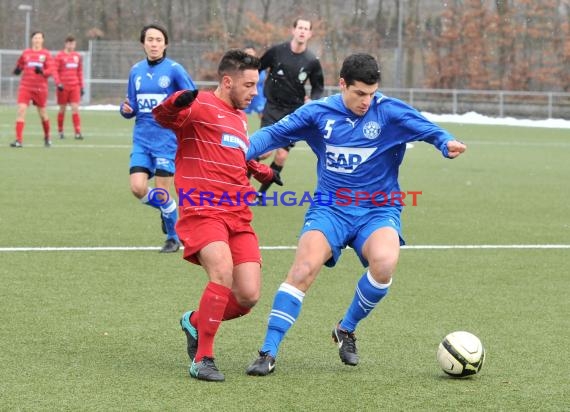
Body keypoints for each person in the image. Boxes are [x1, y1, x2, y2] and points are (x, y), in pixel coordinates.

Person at [244, 53, 467, 376]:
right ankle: (268, 351)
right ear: (343, 84)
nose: (367, 101)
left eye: (372, 93)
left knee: (385, 262)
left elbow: (428, 129)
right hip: (330, 207)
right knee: (304, 268)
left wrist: (445, 142)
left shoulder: (389, 112)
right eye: (359, 93)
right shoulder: (318, 113)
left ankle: (345, 328)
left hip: (378, 209)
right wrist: (240, 151)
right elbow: (273, 134)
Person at [152, 49, 283, 382]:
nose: (256, 92)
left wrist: (261, 171)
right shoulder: (198, 106)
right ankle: (203, 358)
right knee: (221, 273)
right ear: (228, 81)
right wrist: (178, 100)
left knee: (248, 295)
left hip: (238, 215)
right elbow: (163, 117)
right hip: (203, 209)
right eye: (250, 85)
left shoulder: (240, 118)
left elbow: (235, 155)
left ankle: (195, 322)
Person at [120, 24, 196, 253]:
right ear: (143, 43)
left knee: (162, 191)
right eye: (150, 40)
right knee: (137, 188)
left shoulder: (174, 69)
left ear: (165, 44)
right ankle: (168, 211)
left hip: (167, 139)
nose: (154, 44)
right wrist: (125, 110)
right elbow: (131, 105)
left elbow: (192, 97)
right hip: (142, 138)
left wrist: (180, 115)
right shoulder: (136, 71)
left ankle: (173, 237)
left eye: (158, 40)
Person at [255, 18, 324, 197]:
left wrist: (313, 100)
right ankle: (240, 188)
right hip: (272, 107)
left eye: (306, 29)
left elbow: (318, 87)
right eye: (299, 27)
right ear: (293, 30)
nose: (302, 31)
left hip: (294, 111)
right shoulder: (277, 52)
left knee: (281, 156)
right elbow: (257, 68)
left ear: (310, 34)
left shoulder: (312, 61)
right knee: (264, 152)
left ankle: (261, 194)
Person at [10, 31, 62, 148]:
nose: (37, 40)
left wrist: (42, 72)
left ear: (42, 40)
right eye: (35, 38)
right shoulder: (26, 53)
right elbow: (19, 65)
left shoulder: (46, 54)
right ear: (32, 40)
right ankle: (18, 140)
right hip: (26, 86)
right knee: (21, 110)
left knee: (43, 114)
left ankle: (47, 137)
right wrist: (17, 70)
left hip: (40, 88)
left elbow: (51, 70)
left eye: (39, 38)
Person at [55, 35, 84, 140]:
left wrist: (81, 86)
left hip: (74, 86)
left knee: (75, 108)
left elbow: (79, 72)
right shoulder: (59, 56)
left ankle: (77, 132)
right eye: (69, 43)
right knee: (62, 109)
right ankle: (60, 131)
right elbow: (55, 71)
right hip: (63, 87)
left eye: (73, 44)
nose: (71, 46)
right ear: (66, 44)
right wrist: (58, 83)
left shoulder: (77, 56)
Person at [243, 45, 266, 121]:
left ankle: (264, 130)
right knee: (241, 115)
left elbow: (261, 80)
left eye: (251, 53)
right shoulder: (240, 68)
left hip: (258, 96)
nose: (249, 55)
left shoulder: (260, 67)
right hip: (244, 95)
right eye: (247, 53)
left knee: (263, 116)